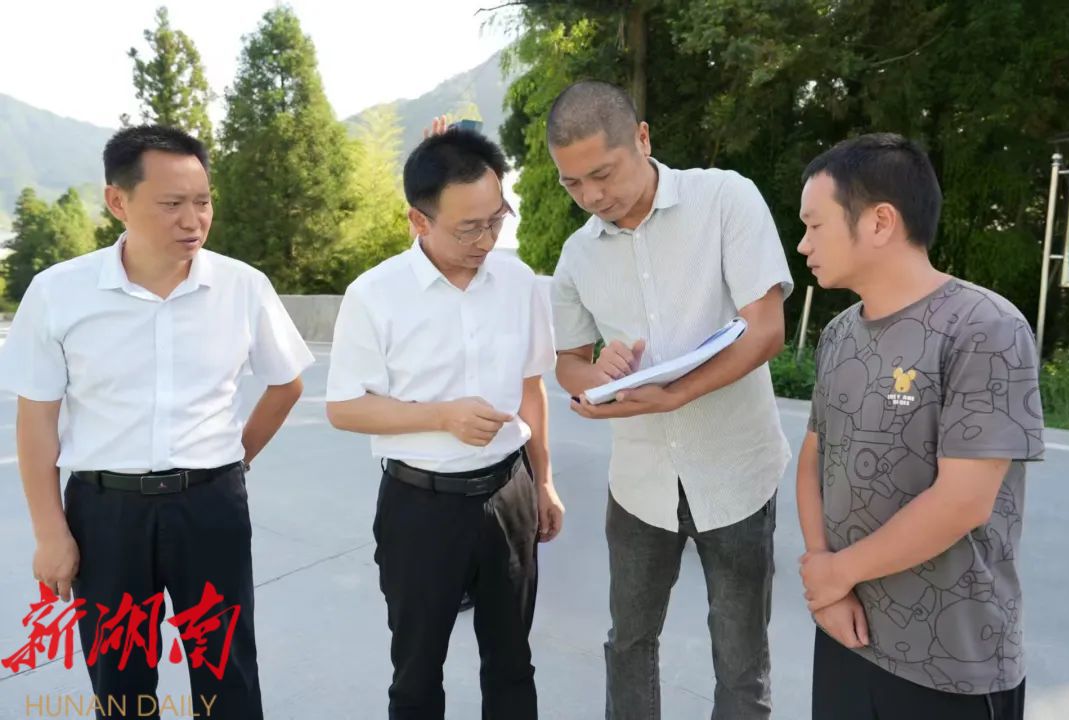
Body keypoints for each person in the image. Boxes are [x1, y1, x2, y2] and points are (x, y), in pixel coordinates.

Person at [0, 125, 314, 719]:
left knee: (227, 677)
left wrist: (235, 458)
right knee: (121, 685)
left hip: (211, 510)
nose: (192, 220)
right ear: (118, 201)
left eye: (203, 201)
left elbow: (287, 382)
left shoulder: (242, 287)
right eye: (171, 204)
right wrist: (50, 532)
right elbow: (36, 421)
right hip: (106, 515)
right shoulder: (59, 293)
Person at [547, 80, 793, 719]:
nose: (591, 197)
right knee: (629, 643)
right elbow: (569, 363)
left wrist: (675, 394)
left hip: (736, 471)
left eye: (603, 173)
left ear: (643, 138)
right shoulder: (576, 257)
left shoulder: (725, 198)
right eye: (573, 184)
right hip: (639, 482)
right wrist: (596, 377)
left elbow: (766, 329)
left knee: (741, 661)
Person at [795, 133, 1042, 720]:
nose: (803, 244)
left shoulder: (985, 327)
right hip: (848, 630)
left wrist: (835, 573)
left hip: (951, 660)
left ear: (880, 222)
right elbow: (814, 459)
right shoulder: (839, 334)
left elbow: (962, 502)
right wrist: (826, 583)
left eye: (815, 225)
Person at [325, 127, 564, 720]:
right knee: (416, 672)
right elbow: (344, 407)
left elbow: (532, 388)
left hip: (509, 494)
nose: (487, 240)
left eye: (496, 220)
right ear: (418, 220)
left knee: (513, 665)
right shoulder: (374, 295)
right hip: (420, 506)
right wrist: (440, 416)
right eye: (468, 228)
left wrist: (544, 481)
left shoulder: (519, 282)